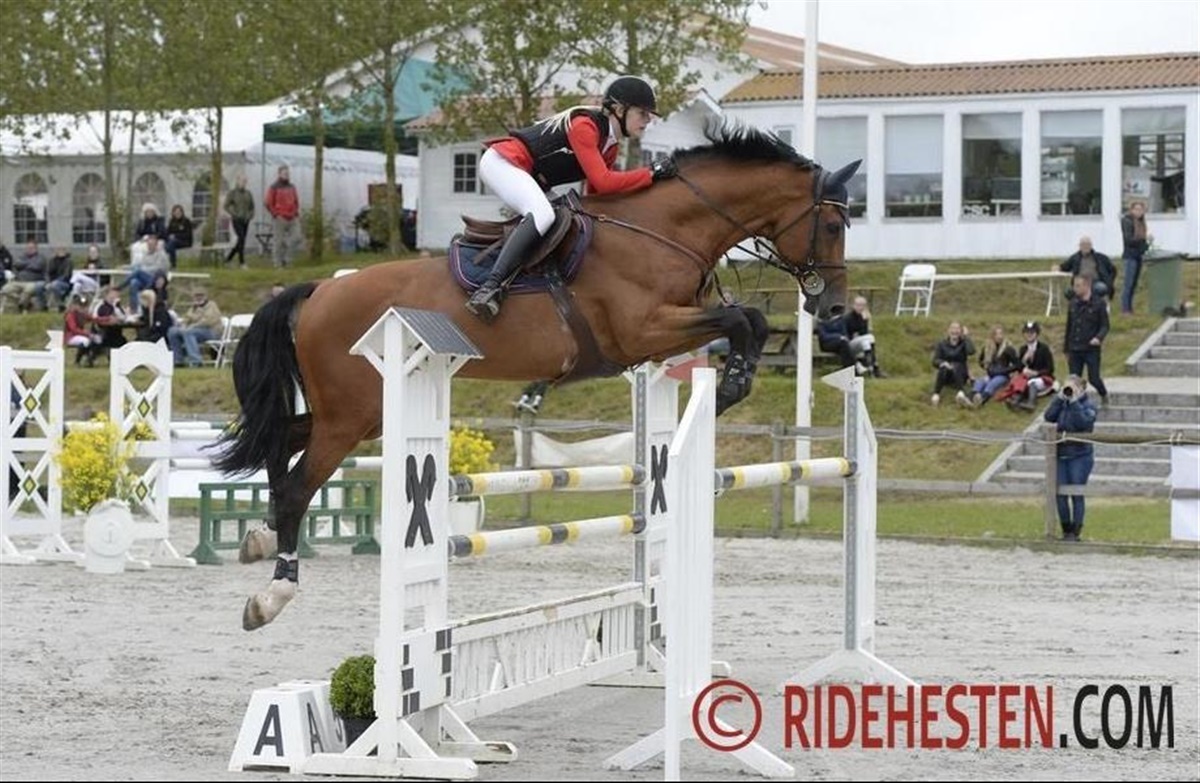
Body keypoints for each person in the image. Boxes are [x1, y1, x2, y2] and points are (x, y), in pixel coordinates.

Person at [464, 75, 677, 322]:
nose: (648, 120)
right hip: (503, 163)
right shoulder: (584, 126)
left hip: (531, 177)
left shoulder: (610, 147)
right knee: (543, 214)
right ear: (619, 110)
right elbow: (605, 182)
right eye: (643, 113)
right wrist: (651, 173)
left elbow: (598, 196)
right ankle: (488, 288)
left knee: (569, 220)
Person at [1043, 375, 1098, 541]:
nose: (1069, 391)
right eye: (1066, 387)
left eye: (1072, 388)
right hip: (1061, 454)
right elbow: (1049, 416)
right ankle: (1065, 530)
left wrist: (1074, 402)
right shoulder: (1062, 403)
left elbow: (1083, 423)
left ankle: (1076, 531)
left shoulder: (1089, 406)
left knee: (1076, 493)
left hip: (1080, 455)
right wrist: (1059, 399)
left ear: (1081, 389)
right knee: (1059, 493)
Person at [1064, 274, 1109, 405]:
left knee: (1094, 378)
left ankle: (1103, 393)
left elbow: (1105, 325)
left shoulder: (1099, 304)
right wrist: (1066, 348)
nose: (1075, 289)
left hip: (1091, 348)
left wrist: (1098, 338)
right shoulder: (1073, 304)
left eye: (1078, 286)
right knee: (1074, 379)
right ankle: (1077, 403)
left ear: (1087, 286)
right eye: (1074, 286)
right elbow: (1069, 327)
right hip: (1075, 347)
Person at [816, 295, 886, 377]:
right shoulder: (847, 318)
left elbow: (862, 333)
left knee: (867, 341)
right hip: (845, 343)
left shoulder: (859, 317)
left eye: (862, 305)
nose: (860, 307)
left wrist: (865, 321)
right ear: (853, 305)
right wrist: (840, 337)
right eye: (858, 305)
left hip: (848, 342)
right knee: (868, 338)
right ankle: (862, 367)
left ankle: (873, 367)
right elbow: (827, 335)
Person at [1003, 321, 1056, 411]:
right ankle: (1015, 401)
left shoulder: (1044, 348)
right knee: (1020, 381)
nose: (1029, 335)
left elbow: (1050, 368)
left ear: (1037, 334)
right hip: (1026, 377)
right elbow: (1019, 368)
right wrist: (1023, 360)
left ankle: (1031, 403)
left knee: (1032, 382)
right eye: (1027, 333)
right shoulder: (1023, 349)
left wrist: (1036, 373)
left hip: (1042, 377)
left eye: (1032, 332)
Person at [963, 324, 1019, 407]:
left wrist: (1004, 370)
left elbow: (1017, 364)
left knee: (993, 383)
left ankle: (982, 398)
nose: (999, 336)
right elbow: (981, 361)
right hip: (991, 374)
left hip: (1003, 375)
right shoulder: (987, 348)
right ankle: (970, 397)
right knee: (980, 381)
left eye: (1001, 334)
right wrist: (987, 367)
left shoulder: (1008, 348)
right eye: (996, 334)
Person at [167, 288, 223, 368]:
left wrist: (193, 325)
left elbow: (208, 321)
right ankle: (178, 360)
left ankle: (196, 361)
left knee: (188, 332)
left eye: (201, 295)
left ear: (205, 296)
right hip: (194, 331)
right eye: (196, 296)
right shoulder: (193, 307)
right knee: (172, 331)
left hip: (211, 331)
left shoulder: (211, 305)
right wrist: (184, 325)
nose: (199, 298)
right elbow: (187, 318)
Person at [929, 321, 974, 406]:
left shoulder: (963, 343)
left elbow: (971, 351)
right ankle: (936, 394)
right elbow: (935, 360)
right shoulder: (942, 344)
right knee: (943, 367)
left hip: (961, 373)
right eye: (953, 328)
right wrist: (943, 363)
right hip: (946, 375)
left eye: (957, 329)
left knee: (956, 365)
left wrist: (966, 337)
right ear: (948, 330)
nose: (955, 331)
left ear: (961, 331)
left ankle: (961, 392)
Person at [1057, 236, 1115, 300]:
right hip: (1079, 283)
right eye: (1083, 244)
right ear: (1080, 246)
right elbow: (1064, 267)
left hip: (1095, 283)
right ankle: (1076, 305)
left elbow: (1113, 270)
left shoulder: (1100, 257)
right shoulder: (1075, 258)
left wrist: (1109, 281)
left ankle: (1096, 305)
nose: (1086, 246)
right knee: (1068, 292)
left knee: (1101, 288)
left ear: (1091, 246)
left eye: (1088, 244)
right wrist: (1058, 268)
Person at [1119, 200, 1151, 314]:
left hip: (1139, 255)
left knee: (1134, 283)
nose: (1139, 212)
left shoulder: (1142, 222)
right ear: (1132, 210)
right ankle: (1125, 308)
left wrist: (1146, 244)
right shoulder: (1127, 221)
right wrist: (1142, 241)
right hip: (1130, 255)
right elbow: (1128, 240)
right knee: (1128, 283)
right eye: (1136, 209)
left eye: (1141, 209)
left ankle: (1130, 308)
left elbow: (1142, 240)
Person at [266, 165, 300, 268]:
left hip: (292, 216)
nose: (287, 175)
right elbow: (268, 203)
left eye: (288, 173)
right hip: (280, 217)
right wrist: (275, 214)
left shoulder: (292, 187)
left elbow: (296, 201)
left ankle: (287, 259)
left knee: (297, 237)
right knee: (278, 241)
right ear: (280, 174)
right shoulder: (274, 187)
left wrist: (295, 212)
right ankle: (277, 263)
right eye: (285, 173)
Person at [224, 174, 255, 268]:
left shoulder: (248, 193)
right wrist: (233, 213)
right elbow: (226, 206)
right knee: (241, 238)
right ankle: (242, 262)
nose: (243, 183)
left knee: (241, 241)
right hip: (237, 219)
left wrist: (250, 215)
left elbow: (252, 207)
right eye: (242, 181)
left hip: (246, 220)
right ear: (237, 181)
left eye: (245, 181)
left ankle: (228, 259)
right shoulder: (232, 193)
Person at [63, 295, 100, 366]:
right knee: (85, 341)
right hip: (70, 337)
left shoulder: (82, 315)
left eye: (84, 306)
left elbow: (95, 319)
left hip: (78, 335)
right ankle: (78, 360)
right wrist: (87, 333)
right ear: (75, 306)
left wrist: (107, 319)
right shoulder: (70, 315)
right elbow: (73, 329)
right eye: (80, 306)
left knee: (96, 340)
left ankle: (90, 358)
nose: (82, 308)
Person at [164, 204, 194, 270]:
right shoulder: (172, 221)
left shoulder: (186, 221)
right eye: (176, 212)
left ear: (182, 212)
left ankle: (173, 265)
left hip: (185, 241)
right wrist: (169, 236)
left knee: (171, 243)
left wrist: (175, 236)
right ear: (173, 213)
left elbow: (188, 235)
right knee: (168, 244)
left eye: (179, 212)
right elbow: (167, 232)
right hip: (173, 242)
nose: (177, 214)